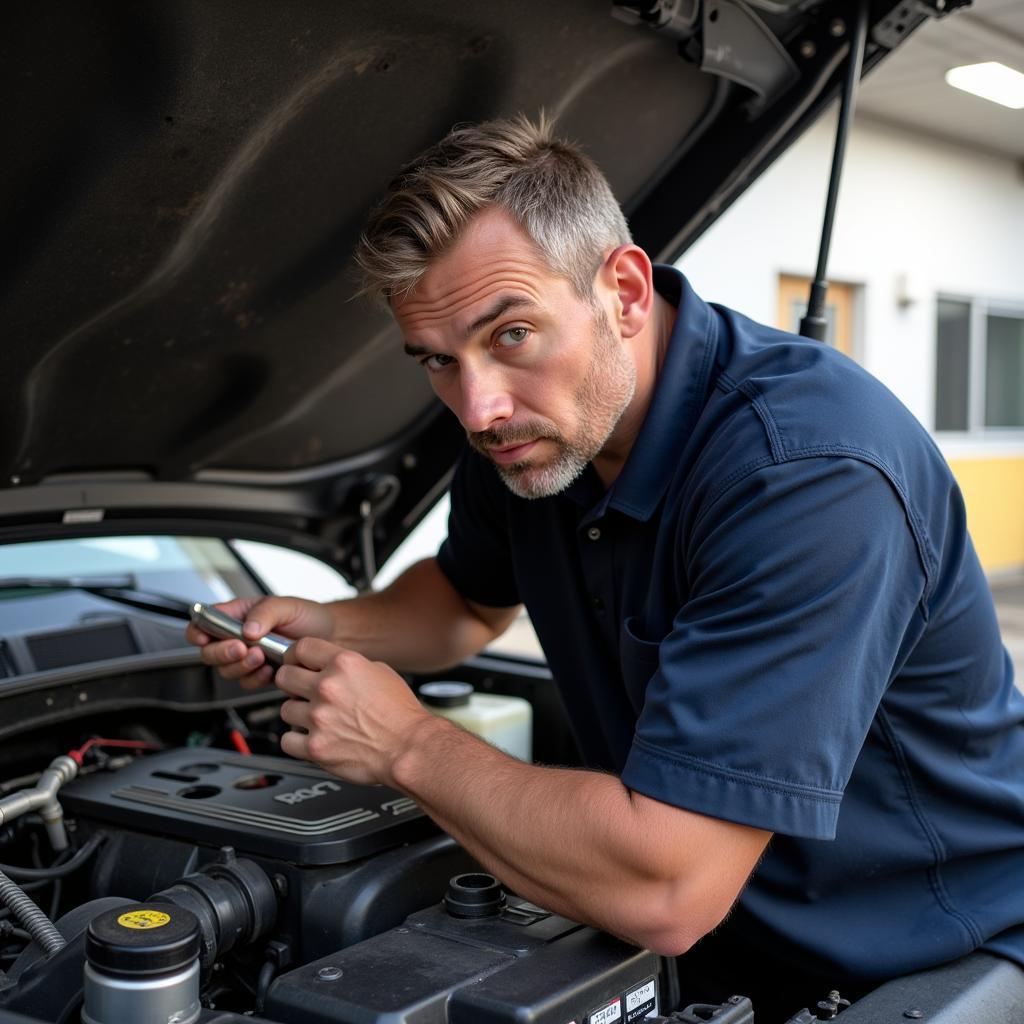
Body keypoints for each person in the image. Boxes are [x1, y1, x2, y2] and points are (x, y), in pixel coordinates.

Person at [186, 115, 1024, 1020]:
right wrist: (330, 622)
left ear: (623, 291)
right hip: (712, 947)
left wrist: (404, 742)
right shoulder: (525, 432)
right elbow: (466, 605)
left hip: (930, 965)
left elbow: (667, 887)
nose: (476, 408)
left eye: (510, 334)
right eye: (438, 361)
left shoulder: (809, 477)